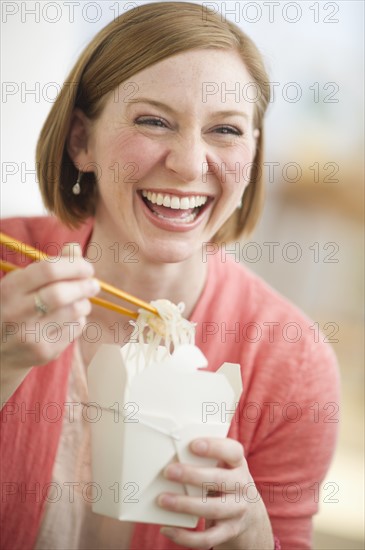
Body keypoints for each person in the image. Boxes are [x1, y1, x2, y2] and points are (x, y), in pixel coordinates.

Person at [0, 2, 339, 549]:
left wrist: (255, 539)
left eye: (225, 130)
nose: (188, 163)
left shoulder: (291, 359)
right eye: (153, 120)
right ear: (81, 141)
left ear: (253, 154)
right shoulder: (10, 272)